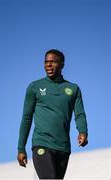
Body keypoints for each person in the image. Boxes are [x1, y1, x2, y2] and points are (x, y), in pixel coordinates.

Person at [17, 49, 88, 179]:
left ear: (62, 64)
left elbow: (79, 114)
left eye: (53, 62)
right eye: (46, 62)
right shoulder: (35, 87)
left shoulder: (73, 89)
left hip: (63, 147)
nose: (48, 65)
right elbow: (27, 118)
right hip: (42, 143)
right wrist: (21, 148)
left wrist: (83, 131)